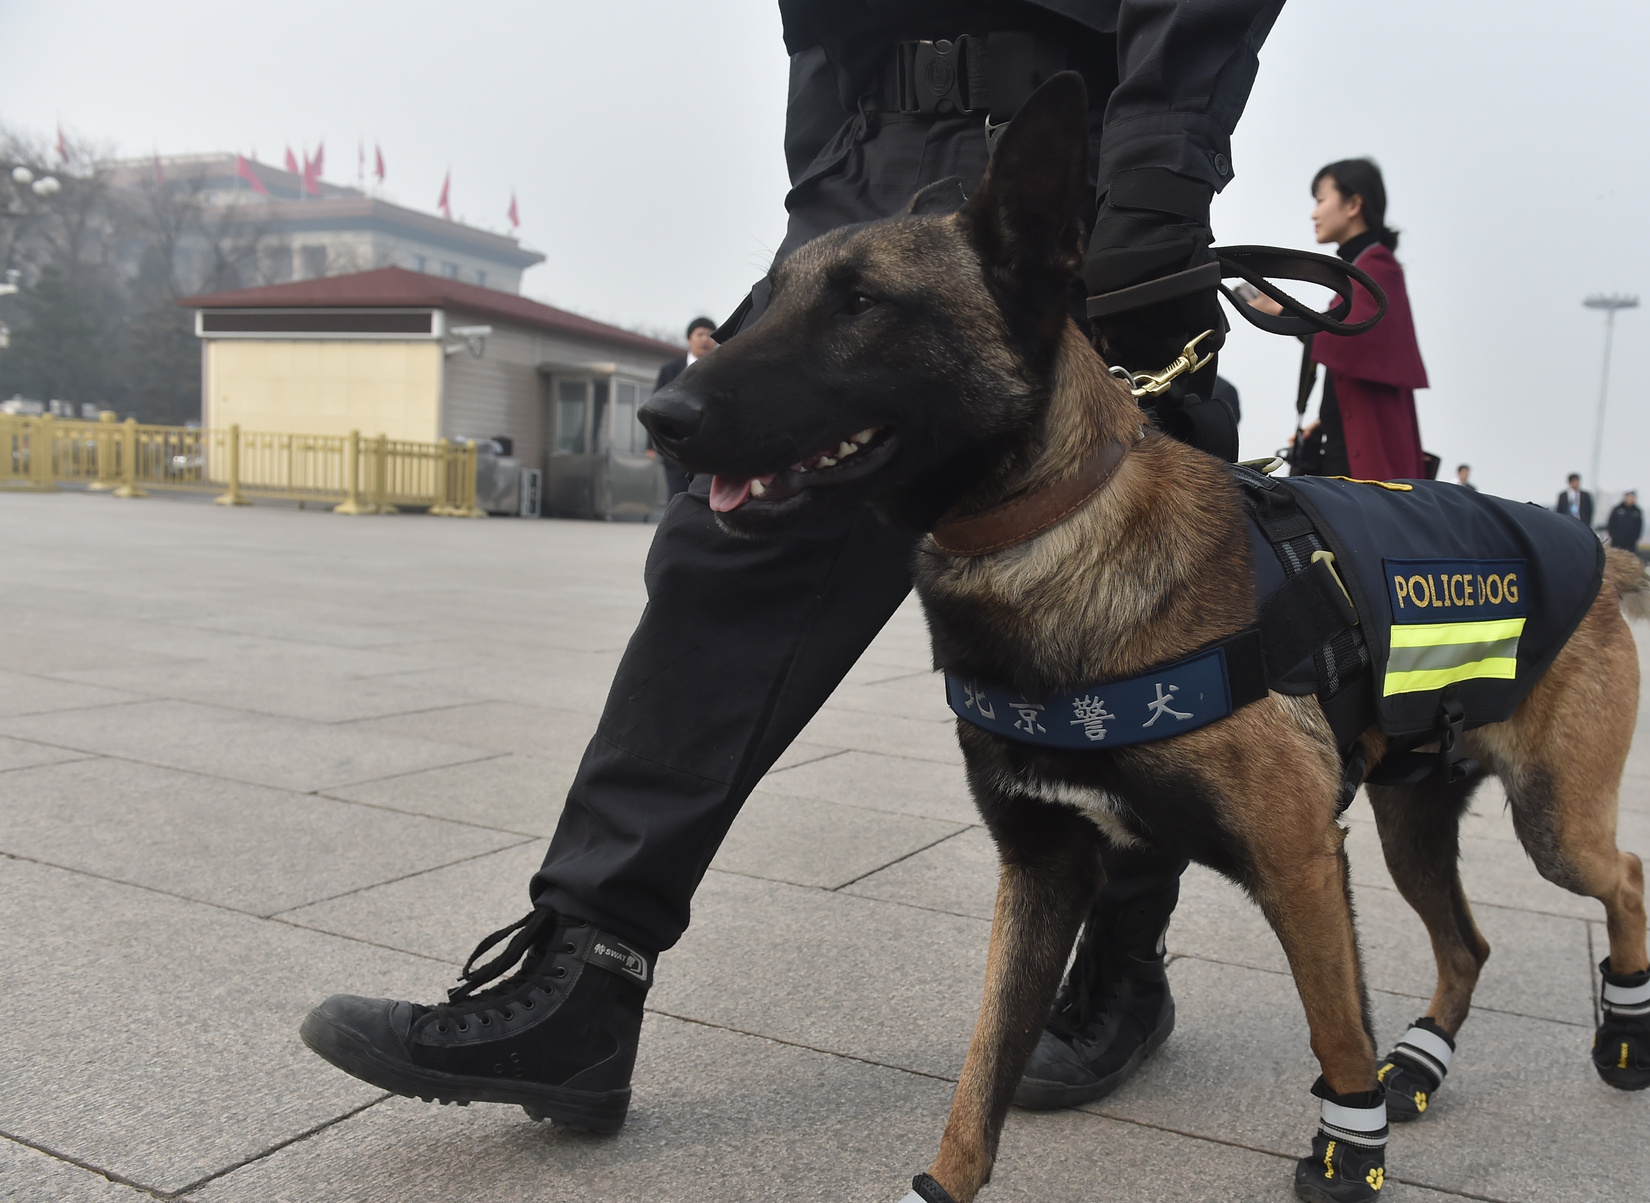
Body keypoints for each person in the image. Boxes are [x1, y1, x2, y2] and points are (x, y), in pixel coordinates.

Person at [300, 1, 1288, 1137]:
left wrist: (1156, 171)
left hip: (1064, 161)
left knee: (1117, 613)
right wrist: (828, 165)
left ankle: (1119, 965)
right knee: (734, 546)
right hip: (868, 173)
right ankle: (584, 973)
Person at [1264, 158, 1428, 480]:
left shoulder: (1378, 267)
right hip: (1351, 440)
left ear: (1353, 204)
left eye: (1321, 200)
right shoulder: (1364, 267)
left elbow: (1346, 337)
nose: (1314, 213)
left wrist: (1284, 312)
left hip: (1371, 448)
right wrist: (1329, 420)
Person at [653, 318, 719, 499]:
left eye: (710, 335)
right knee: (677, 498)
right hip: (676, 451)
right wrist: (652, 443)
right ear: (689, 339)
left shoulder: (724, 369)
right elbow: (656, 407)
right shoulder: (671, 370)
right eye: (700, 334)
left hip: (712, 452)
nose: (705, 339)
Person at [1605, 489, 1643, 553]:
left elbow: (1639, 526)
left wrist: (1635, 538)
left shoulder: (1637, 511)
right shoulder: (1617, 509)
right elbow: (1611, 523)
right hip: (1617, 541)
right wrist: (1613, 535)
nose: (1631, 499)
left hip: (1630, 543)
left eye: (1633, 497)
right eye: (1629, 497)